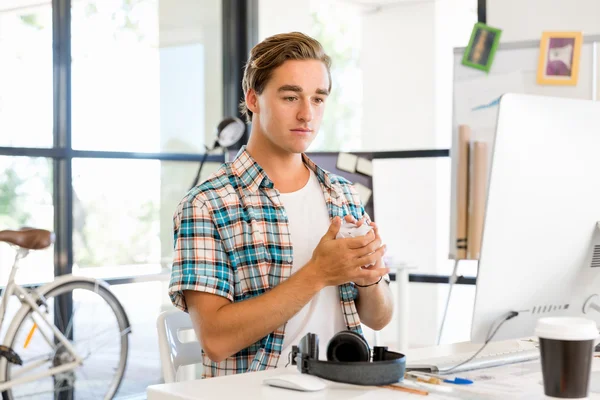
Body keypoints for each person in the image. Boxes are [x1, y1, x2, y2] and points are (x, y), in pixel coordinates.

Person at [169, 31, 394, 378]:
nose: (307, 114)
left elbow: (378, 317)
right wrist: (318, 274)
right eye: (291, 97)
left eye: (318, 99)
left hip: (345, 385)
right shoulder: (206, 204)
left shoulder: (343, 195)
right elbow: (215, 339)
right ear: (254, 99)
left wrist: (368, 277)